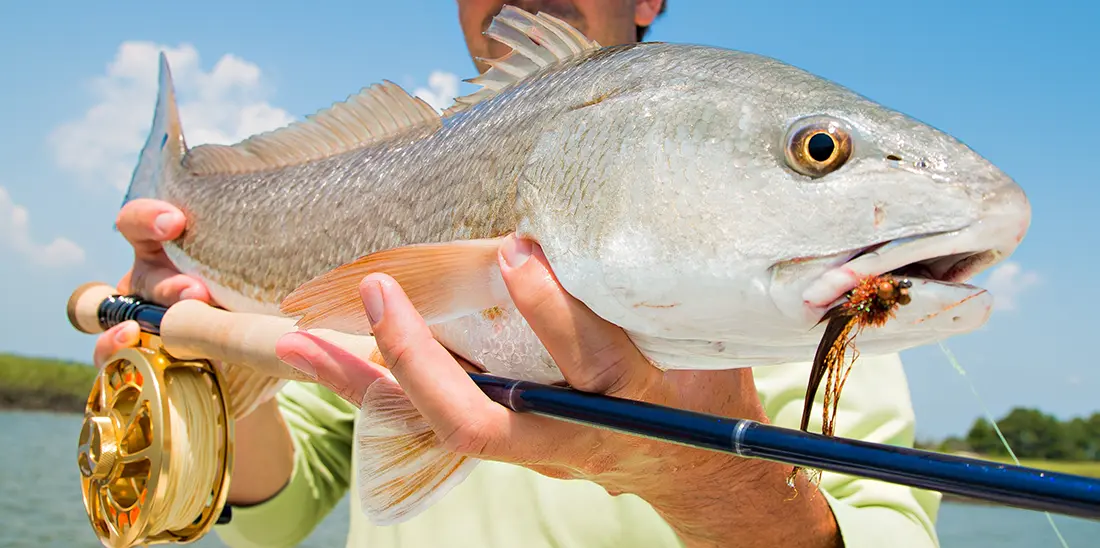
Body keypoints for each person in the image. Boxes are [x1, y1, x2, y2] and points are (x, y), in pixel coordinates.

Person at [93, 2, 942, 547]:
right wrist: (209, 360)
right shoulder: (413, 160)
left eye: (816, 153)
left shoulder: (811, 294)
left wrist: (710, 479)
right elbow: (278, 510)